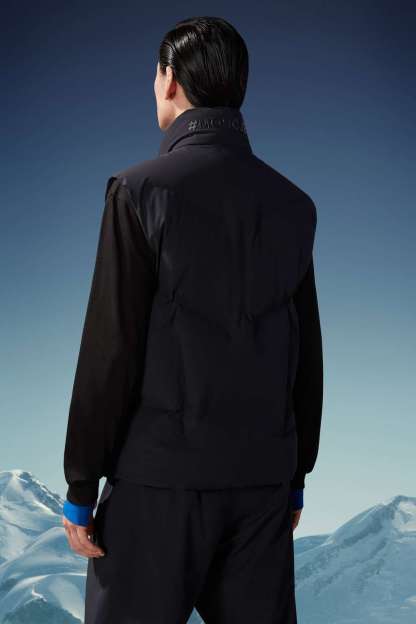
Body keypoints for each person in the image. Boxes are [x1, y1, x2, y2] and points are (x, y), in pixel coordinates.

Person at [62, 15, 323, 624]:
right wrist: (294, 477)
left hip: (156, 488)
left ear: (170, 78)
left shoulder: (138, 191)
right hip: (261, 487)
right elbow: (304, 351)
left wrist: (80, 485)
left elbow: (110, 348)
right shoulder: (293, 205)